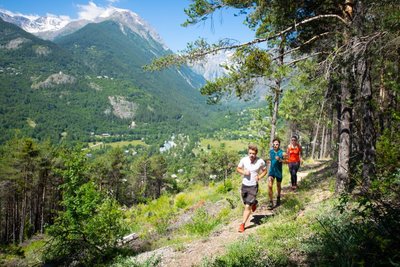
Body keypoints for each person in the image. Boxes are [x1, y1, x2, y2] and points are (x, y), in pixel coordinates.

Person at [236, 144, 267, 233]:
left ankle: (242, 224)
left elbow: (265, 171)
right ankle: (254, 203)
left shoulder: (260, 161)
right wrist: (243, 172)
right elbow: (238, 168)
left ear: (256, 153)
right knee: (245, 202)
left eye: (253, 153)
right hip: (244, 185)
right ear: (248, 153)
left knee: (247, 207)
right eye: (250, 153)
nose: (251, 155)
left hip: (253, 186)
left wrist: (259, 177)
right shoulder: (244, 160)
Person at [267, 138, 284, 209]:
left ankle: (278, 197)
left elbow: (286, 160)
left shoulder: (281, 152)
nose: (275, 145)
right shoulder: (271, 152)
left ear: (279, 145)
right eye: (274, 144)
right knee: (270, 186)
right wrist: (268, 162)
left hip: (278, 172)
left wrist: (280, 159)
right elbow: (270, 159)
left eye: (277, 144)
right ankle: (271, 202)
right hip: (271, 171)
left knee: (278, 186)